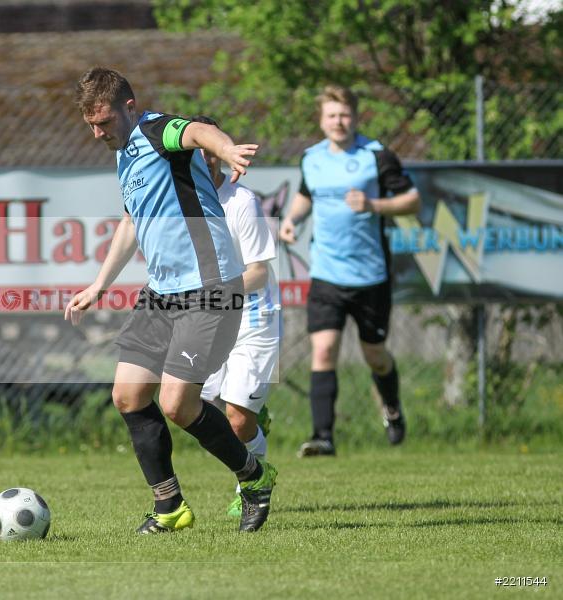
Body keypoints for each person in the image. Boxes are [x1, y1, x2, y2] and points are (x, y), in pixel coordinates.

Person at [65, 67, 273, 533]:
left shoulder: (159, 131)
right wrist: (99, 285)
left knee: (179, 404)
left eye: (105, 122)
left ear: (130, 107)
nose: (99, 133)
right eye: (91, 125)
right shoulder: (123, 155)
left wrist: (227, 149)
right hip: (162, 294)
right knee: (127, 394)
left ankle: (254, 476)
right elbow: (130, 222)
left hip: (209, 287)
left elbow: (199, 131)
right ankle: (170, 506)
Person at [279, 85, 421, 457]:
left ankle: (391, 406)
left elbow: (412, 200)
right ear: (321, 120)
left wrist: (373, 204)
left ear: (355, 117)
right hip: (326, 273)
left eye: (344, 115)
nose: (338, 122)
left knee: (375, 354)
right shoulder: (311, 158)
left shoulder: (377, 156)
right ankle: (323, 437)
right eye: (331, 115)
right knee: (323, 350)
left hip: (371, 274)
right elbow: (307, 195)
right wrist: (292, 219)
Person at [193, 115, 280, 518]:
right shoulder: (186, 203)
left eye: (211, 153)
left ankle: (253, 479)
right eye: (196, 153)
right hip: (213, 322)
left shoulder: (242, 201)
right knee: (199, 408)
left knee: (235, 419)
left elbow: (259, 272)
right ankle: (252, 424)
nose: (204, 160)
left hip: (253, 320)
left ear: (221, 156)